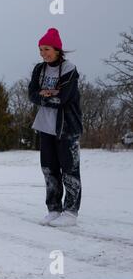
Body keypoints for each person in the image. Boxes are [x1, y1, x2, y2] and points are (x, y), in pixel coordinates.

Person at [28, 28, 82, 227]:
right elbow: (31, 94)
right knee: (49, 169)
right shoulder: (39, 70)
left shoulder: (69, 69)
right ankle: (54, 209)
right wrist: (47, 94)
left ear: (57, 49)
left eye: (47, 49)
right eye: (41, 49)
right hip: (45, 126)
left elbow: (63, 98)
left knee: (70, 169)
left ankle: (70, 212)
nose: (43, 53)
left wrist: (45, 95)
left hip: (67, 126)